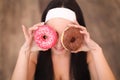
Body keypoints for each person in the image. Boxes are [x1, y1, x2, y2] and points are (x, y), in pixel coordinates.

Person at [11, 0, 115, 80]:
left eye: (66, 35)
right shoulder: (34, 57)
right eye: (54, 34)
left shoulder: (88, 56)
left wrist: (96, 51)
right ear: (44, 30)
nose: (59, 44)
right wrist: (24, 52)